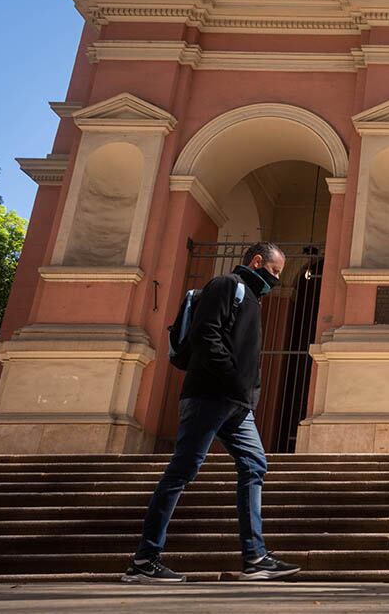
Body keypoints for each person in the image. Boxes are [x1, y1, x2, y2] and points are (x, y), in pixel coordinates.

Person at [122, 242, 301, 583]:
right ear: (257, 261)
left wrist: (247, 392)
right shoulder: (225, 286)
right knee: (182, 471)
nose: (276, 279)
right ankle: (145, 560)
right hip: (209, 396)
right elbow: (207, 334)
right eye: (274, 271)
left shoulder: (252, 298)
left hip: (237, 404)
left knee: (255, 465)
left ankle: (255, 557)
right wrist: (233, 378)